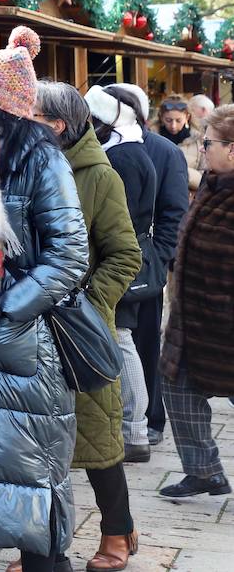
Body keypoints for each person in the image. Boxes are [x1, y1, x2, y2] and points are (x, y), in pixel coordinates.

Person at [0, 27, 89, 572]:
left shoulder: (41, 162)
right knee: (10, 477)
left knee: (34, 479)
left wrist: (5, 307)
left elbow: (71, 255)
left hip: (30, 347)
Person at [29, 81, 142, 572]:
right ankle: (37, 546)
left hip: (78, 331)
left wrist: (88, 306)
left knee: (96, 440)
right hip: (26, 328)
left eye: (29, 114)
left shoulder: (100, 176)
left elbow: (125, 255)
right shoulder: (19, 168)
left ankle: (117, 529)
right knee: (32, 445)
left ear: (56, 125)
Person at [158, 104, 234, 500]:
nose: (203, 149)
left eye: (209, 143)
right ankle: (204, 471)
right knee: (177, 386)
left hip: (227, 326)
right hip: (193, 323)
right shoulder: (213, 183)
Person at [111, 83, 189, 447]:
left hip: (145, 267)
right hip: (109, 263)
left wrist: (157, 259)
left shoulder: (164, 152)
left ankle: (151, 418)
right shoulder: (105, 144)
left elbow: (174, 212)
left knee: (143, 342)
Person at [85, 86, 159, 465]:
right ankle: (134, 429)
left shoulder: (125, 158)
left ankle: (135, 431)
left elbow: (118, 220)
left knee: (123, 339)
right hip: (124, 258)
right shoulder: (129, 151)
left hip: (120, 261)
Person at [155, 95, 202, 191]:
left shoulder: (199, 140)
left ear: (187, 117)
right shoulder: (152, 139)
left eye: (178, 120)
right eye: (168, 120)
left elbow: (205, 177)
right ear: (161, 117)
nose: (173, 125)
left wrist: (181, 172)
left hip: (189, 197)